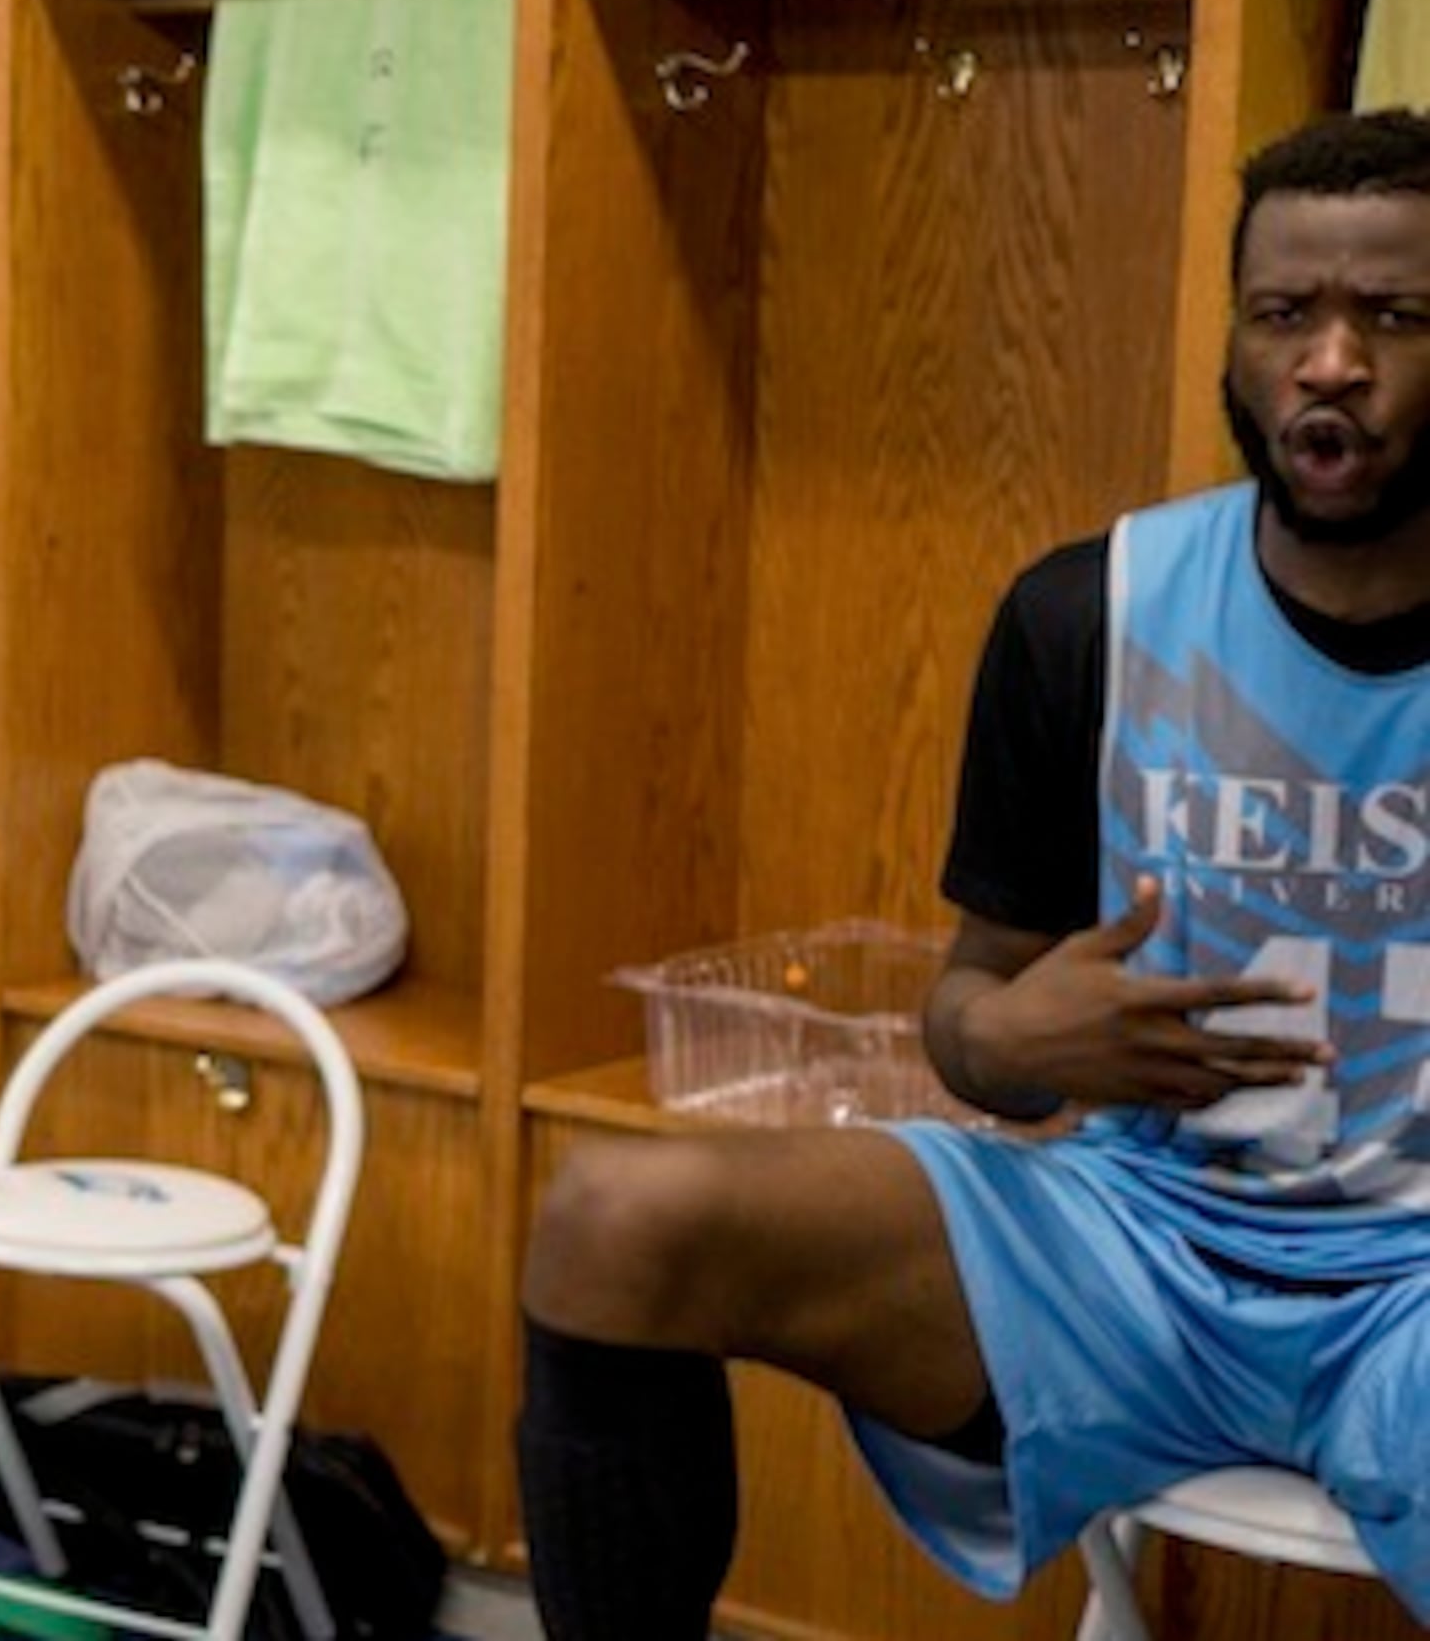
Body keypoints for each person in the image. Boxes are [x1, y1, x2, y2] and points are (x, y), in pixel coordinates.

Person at [515, 108, 1430, 1636]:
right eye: (1286, 314)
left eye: (1392, 316)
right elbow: (975, 1010)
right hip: (1136, 1240)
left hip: (1413, 1281)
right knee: (615, 1214)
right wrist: (1006, 1042)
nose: (1329, 361)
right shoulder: (1089, 613)